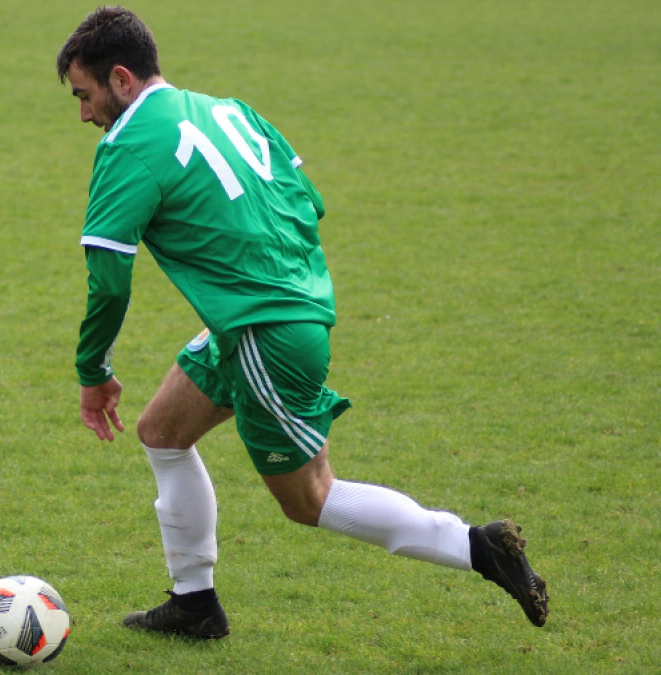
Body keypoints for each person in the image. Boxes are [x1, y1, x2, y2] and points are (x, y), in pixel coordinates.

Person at [56, 7, 548, 638]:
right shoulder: (229, 110)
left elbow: (108, 280)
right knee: (161, 432)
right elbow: (307, 200)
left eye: (85, 95)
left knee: (310, 496)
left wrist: (93, 372)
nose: (84, 114)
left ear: (121, 79)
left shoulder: (127, 145)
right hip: (268, 316)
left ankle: (477, 546)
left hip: (265, 332)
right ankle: (193, 603)